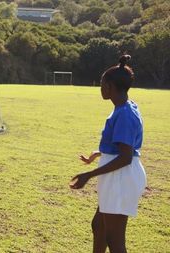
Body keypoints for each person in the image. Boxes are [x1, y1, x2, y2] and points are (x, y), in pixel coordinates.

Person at [70, 55, 146, 253]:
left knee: (114, 240)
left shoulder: (124, 114)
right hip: (117, 175)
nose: (100, 88)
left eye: (102, 84)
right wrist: (97, 154)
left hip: (121, 177)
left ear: (110, 86)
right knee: (99, 226)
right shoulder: (125, 107)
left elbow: (126, 156)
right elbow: (119, 147)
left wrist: (88, 175)